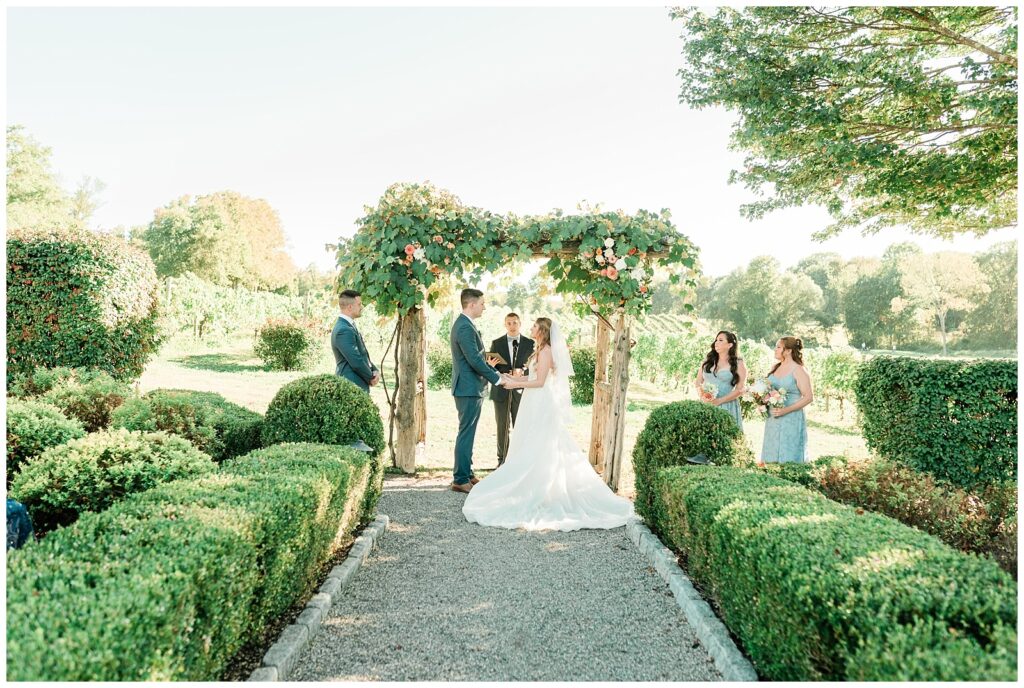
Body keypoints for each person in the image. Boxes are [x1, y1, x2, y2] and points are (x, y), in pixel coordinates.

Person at [463, 318, 635, 531]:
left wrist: (514, 384)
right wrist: (510, 378)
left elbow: (539, 382)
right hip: (533, 400)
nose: (531, 328)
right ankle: (538, 487)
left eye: (535, 326)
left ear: (543, 331)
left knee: (542, 443)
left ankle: (543, 489)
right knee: (534, 442)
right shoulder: (540, 350)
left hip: (542, 402)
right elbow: (531, 377)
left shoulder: (546, 352)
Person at [450, 288, 507, 494]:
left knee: (469, 432)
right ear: (471, 304)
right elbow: (474, 360)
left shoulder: (465, 324)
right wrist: (497, 378)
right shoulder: (464, 327)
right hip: (468, 387)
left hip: (470, 386)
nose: (484, 307)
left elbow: (475, 357)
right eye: (482, 304)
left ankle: (467, 472)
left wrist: (491, 368)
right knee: (466, 432)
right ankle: (460, 479)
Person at [488, 313, 535, 467]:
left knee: (521, 426)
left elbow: (535, 367)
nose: (512, 326)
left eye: (515, 322)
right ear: (505, 325)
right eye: (509, 323)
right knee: (502, 426)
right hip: (501, 391)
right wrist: (493, 368)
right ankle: (502, 461)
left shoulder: (530, 343)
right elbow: (490, 366)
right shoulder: (496, 343)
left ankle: (521, 460)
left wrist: (522, 371)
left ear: (520, 323)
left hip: (521, 391)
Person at [760, 336, 814, 464]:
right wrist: (761, 402)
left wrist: (786, 410)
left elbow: (808, 397)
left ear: (789, 351)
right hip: (773, 417)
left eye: (778, 347)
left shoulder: (798, 370)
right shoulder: (776, 367)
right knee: (771, 450)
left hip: (791, 417)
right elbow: (767, 390)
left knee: (789, 450)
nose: (775, 350)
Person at [695, 331, 746, 429]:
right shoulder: (707, 361)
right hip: (705, 404)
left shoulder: (738, 363)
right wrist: (702, 396)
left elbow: (740, 389)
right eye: (716, 340)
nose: (716, 343)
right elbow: (698, 382)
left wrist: (719, 401)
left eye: (721, 340)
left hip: (726, 405)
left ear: (730, 345)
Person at [331, 289, 379, 392]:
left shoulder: (348, 325)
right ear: (350, 307)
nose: (361, 307)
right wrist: (371, 377)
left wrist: (374, 369)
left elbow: (362, 354)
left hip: (356, 384)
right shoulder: (343, 329)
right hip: (351, 385)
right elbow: (356, 361)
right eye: (359, 304)